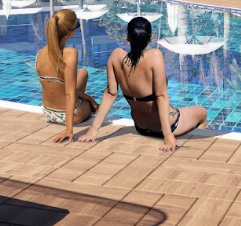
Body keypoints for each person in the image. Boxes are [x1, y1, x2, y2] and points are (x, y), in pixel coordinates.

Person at [80, 16, 207, 151]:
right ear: (151, 37)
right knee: (202, 113)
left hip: (141, 126)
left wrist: (93, 130)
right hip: (165, 127)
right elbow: (161, 96)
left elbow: (110, 94)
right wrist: (168, 135)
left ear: (127, 37)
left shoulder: (116, 56)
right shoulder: (154, 56)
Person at [36, 9, 99, 140]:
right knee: (93, 105)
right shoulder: (70, 53)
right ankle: (87, 103)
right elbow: (70, 93)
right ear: (70, 33)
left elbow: (62, 88)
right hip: (71, 115)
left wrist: (88, 98)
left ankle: (88, 100)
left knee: (83, 73)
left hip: (48, 113)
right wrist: (68, 131)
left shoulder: (40, 53)